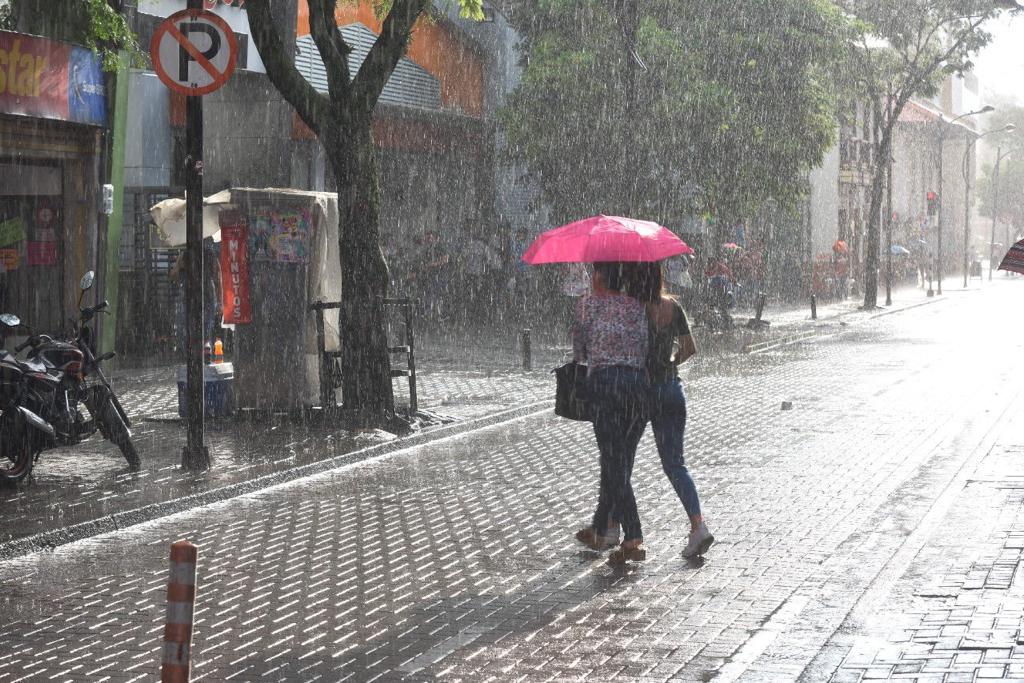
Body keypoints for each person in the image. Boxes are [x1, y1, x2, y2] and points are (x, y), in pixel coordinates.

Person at [572, 262, 652, 565]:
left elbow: (579, 352)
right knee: (618, 460)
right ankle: (602, 526)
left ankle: (632, 533)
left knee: (613, 461)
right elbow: (644, 346)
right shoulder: (636, 306)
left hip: (605, 386)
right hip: (637, 387)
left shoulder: (588, 305)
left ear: (599, 277)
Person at [633, 262, 714, 558]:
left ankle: (616, 528)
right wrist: (669, 364)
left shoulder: (634, 310)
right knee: (676, 464)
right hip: (671, 390)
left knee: (621, 459)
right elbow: (690, 347)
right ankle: (698, 525)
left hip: (642, 392)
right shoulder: (674, 307)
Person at [171, 237, 221, 359]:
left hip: (190, 291)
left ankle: (191, 350)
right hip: (207, 291)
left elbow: (174, 275)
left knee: (190, 322)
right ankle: (206, 346)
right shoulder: (210, 254)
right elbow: (217, 277)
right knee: (207, 322)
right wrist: (220, 301)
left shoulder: (185, 254)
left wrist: (180, 269)